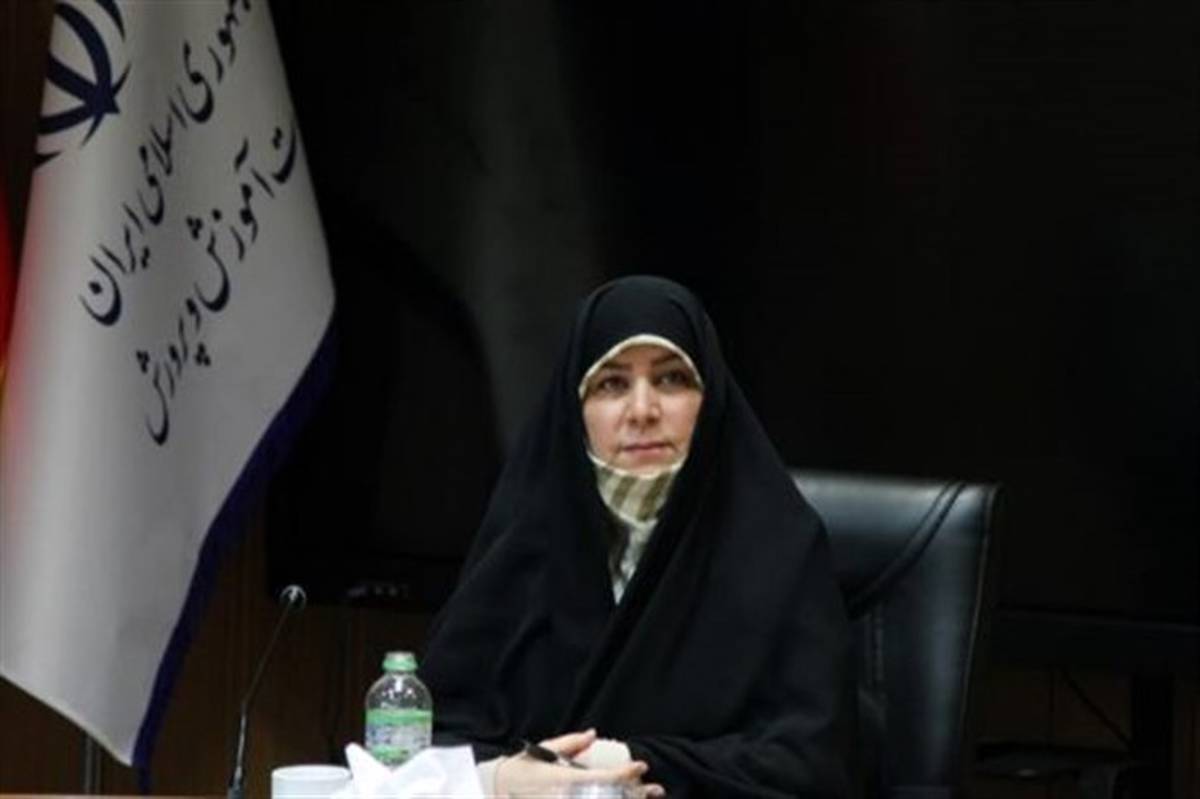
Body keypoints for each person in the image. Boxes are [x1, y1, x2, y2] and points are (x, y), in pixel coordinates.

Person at [419, 276, 851, 798]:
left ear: (710, 397)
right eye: (612, 384)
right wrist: (499, 779)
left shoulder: (782, 550)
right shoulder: (524, 545)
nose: (643, 410)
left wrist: (627, 763)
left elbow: (814, 762)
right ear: (576, 409)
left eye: (671, 379)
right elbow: (423, 739)